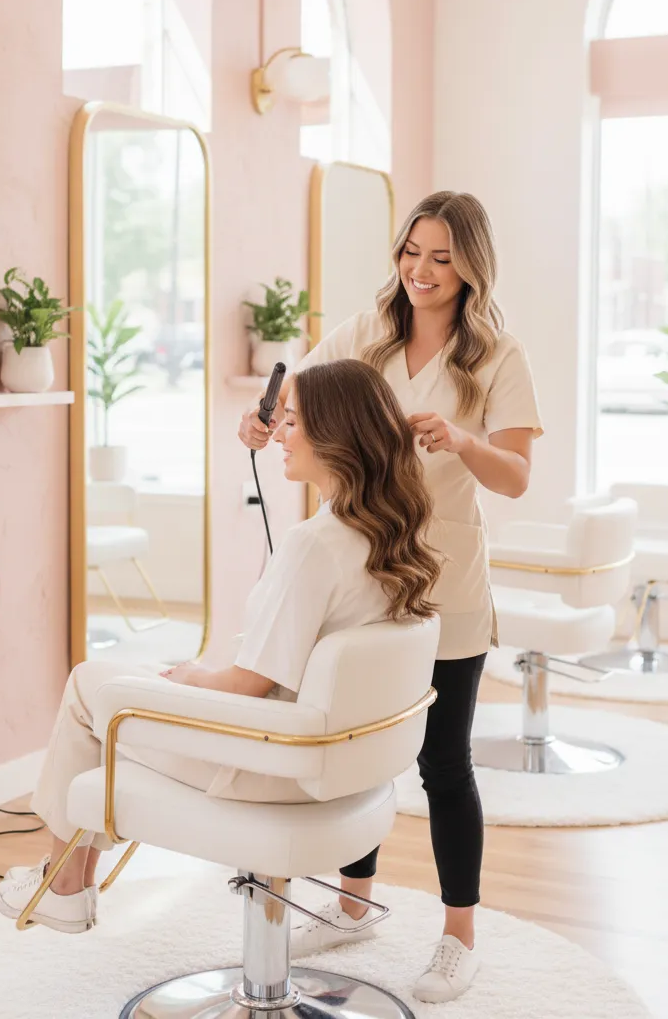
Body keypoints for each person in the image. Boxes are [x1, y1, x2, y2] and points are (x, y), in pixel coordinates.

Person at [0, 359, 441, 935]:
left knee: (89, 685)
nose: (279, 433)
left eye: (294, 421)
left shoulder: (316, 544)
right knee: (128, 682)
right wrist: (197, 676)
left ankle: (62, 884)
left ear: (337, 435)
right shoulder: (390, 531)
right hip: (334, 761)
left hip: (268, 761)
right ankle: (66, 881)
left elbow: (248, 685)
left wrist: (190, 680)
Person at [239, 190, 543, 1004]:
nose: (421, 270)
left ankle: (458, 936)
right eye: (412, 251)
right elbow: (300, 397)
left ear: (472, 263)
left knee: (443, 763)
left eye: (442, 257)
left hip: (447, 583)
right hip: (361, 575)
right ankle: (353, 902)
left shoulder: (496, 357)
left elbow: (515, 477)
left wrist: (464, 441)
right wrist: (265, 421)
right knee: (353, 744)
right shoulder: (366, 333)